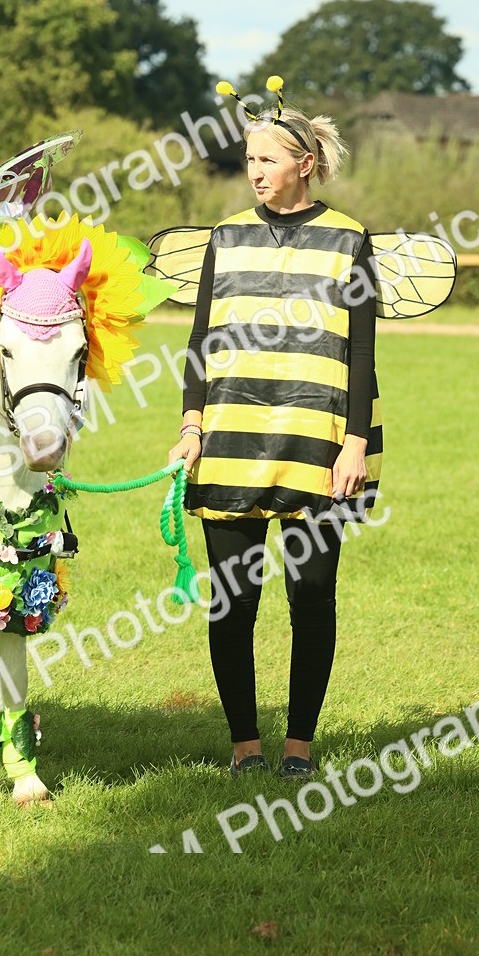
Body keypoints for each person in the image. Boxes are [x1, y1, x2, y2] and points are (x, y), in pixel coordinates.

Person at [168, 76, 381, 781]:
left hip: (320, 446)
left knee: (311, 596)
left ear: (305, 164)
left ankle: (299, 748)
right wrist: (191, 423)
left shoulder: (349, 238)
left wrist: (354, 441)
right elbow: (200, 342)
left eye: (266, 160)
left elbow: (362, 350)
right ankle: (243, 746)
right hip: (228, 443)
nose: (254, 171)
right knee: (234, 601)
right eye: (248, 161)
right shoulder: (223, 239)